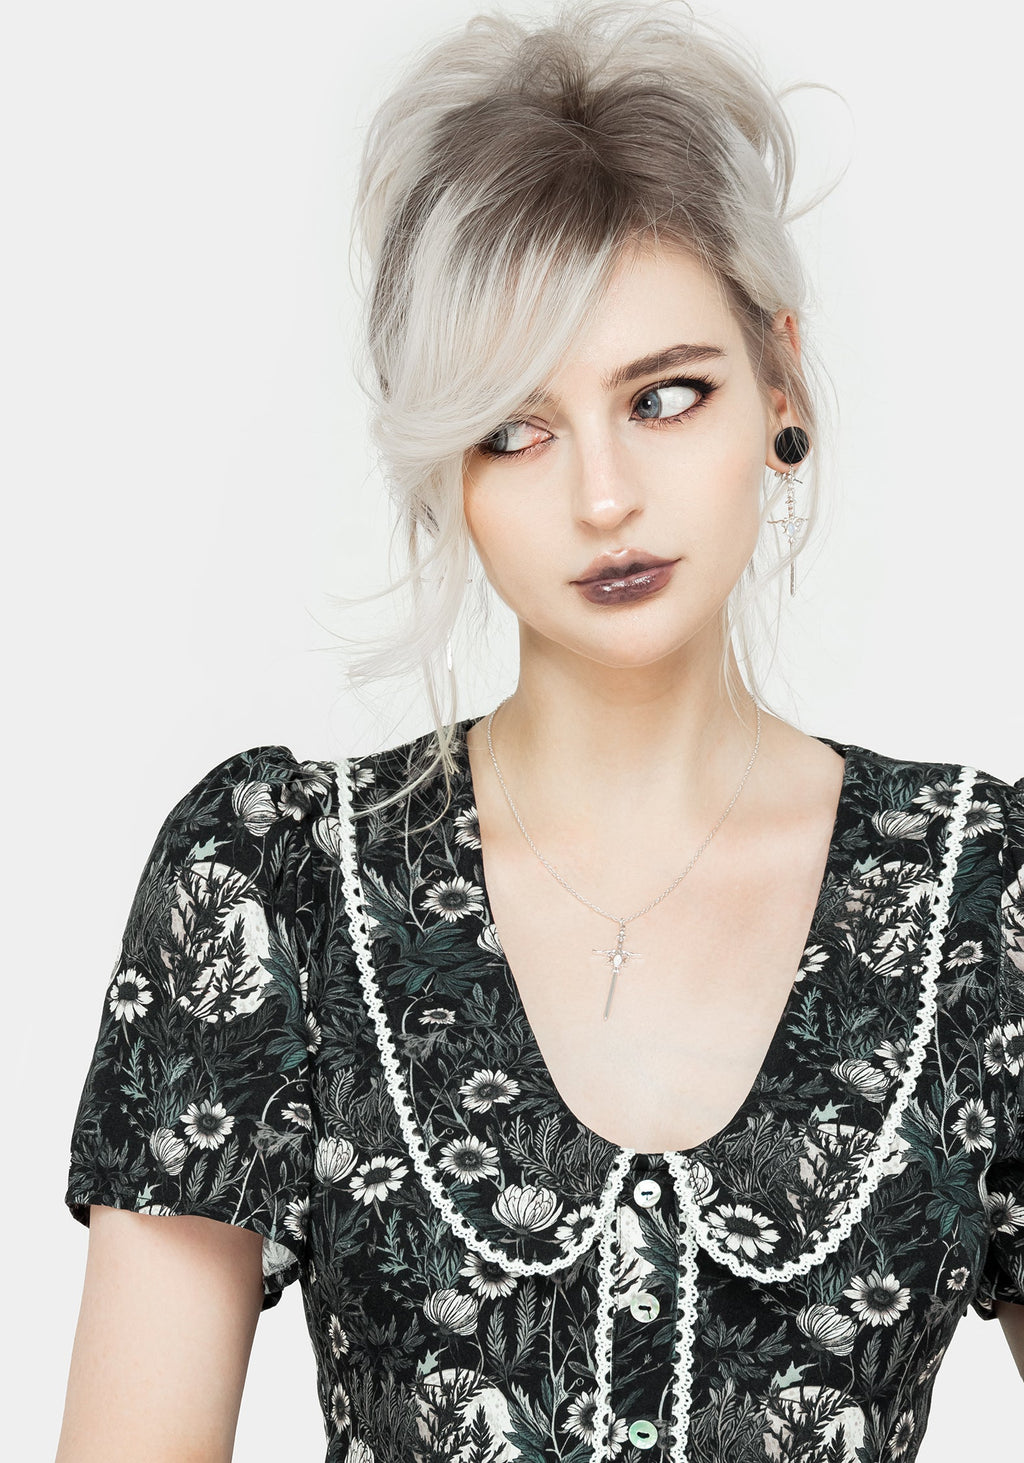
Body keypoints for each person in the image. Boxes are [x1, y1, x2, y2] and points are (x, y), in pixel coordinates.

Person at [56, 2, 1024, 1461]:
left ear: (780, 382)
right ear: (442, 463)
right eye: (515, 428)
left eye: (666, 396)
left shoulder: (985, 897)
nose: (604, 496)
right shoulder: (274, 885)